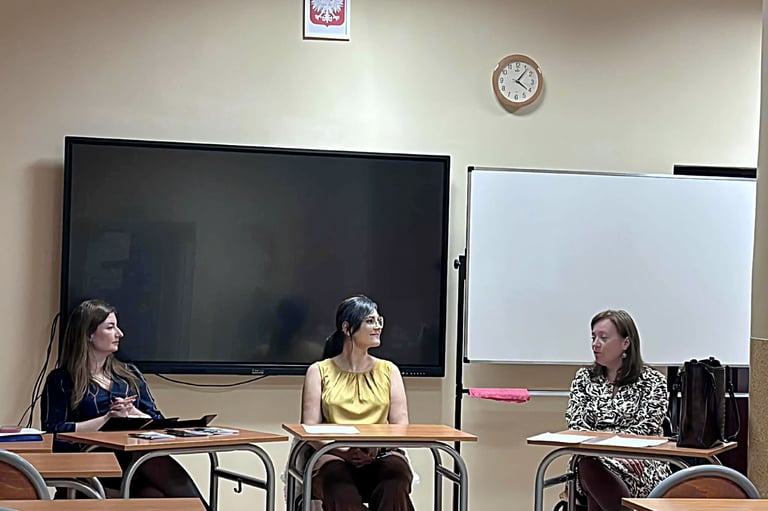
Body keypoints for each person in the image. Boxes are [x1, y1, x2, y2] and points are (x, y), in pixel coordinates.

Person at [41, 299, 207, 505]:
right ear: (89, 334)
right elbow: (54, 432)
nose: (120, 334)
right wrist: (107, 418)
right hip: (93, 463)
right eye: (110, 327)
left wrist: (135, 414)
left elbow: (157, 420)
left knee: (154, 493)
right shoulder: (61, 380)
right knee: (152, 473)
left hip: (135, 460)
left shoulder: (129, 375)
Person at [300, 295, 414, 511]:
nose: (378, 326)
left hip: (381, 453)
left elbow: (401, 426)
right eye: (370, 321)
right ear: (347, 328)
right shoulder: (318, 371)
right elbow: (310, 428)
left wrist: (375, 449)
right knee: (337, 484)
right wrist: (343, 452)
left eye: (379, 320)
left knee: (395, 480)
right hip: (333, 454)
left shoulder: (390, 370)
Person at [565, 309, 671, 511]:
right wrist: (607, 453)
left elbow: (647, 428)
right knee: (588, 465)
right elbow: (577, 426)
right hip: (592, 457)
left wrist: (618, 451)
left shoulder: (653, 381)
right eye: (593, 337)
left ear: (626, 343)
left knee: (593, 473)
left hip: (639, 460)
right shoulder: (583, 379)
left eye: (603, 338)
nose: (595, 344)